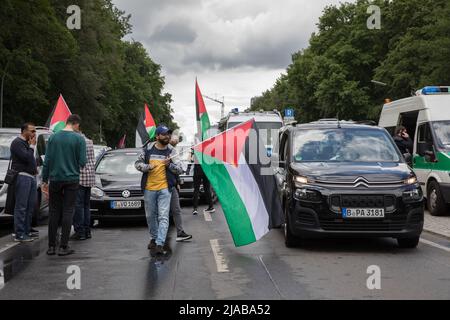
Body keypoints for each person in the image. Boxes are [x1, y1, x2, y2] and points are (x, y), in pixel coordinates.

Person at [42, 115, 87, 256]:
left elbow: (47, 160)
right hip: (72, 179)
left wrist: (44, 180)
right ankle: (63, 247)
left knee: (54, 211)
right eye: (78, 126)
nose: (78, 128)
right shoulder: (79, 139)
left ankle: (51, 247)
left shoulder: (54, 137)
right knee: (68, 211)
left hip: (55, 178)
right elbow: (82, 161)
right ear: (75, 124)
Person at [135, 125, 183, 255]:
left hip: (165, 189)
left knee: (163, 216)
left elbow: (180, 169)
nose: (167, 136)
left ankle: (160, 243)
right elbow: (137, 164)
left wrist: (170, 165)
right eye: (164, 134)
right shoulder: (147, 149)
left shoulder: (172, 151)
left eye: (168, 134)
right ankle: (154, 238)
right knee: (151, 216)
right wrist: (147, 167)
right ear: (157, 136)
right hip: (149, 188)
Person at [9, 123, 38, 242]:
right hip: (22, 176)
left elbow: (32, 160)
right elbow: (26, 158)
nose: (34, 134)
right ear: (24, 131)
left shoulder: (26, 143)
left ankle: (26, 231)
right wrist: (31, 147)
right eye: (32, 131)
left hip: (31, 177)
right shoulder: (17, 143)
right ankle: (19, 234)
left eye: (34, 131)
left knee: (30, 207)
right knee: (21, 207)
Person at [71, 130, 96, 241]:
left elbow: (78, 160)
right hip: (89, 177)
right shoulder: (89, 141)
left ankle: (80, 232)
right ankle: (87, 231)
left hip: (80, 177)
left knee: (78, 206)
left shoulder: (78, 142)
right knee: (86, 205)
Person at [169, 135, 192, 242]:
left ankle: (180, 232)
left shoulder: (172, 151)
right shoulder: (160, 150)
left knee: (176, 209)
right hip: (159, 186)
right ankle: (157, 239)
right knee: (161, 213)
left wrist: (177, 181)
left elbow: (178, 168)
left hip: (171, 185)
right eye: (174, 139)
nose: (176, 141)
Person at [191, 150, 215, 216]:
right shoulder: (207, 150)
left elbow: (191, 159)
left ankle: (195, 209)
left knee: (196, 189)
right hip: (206, 171)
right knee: (207, 189)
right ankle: (211, 206)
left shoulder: (196, 149)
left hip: (197, 170)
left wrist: (193, 152)